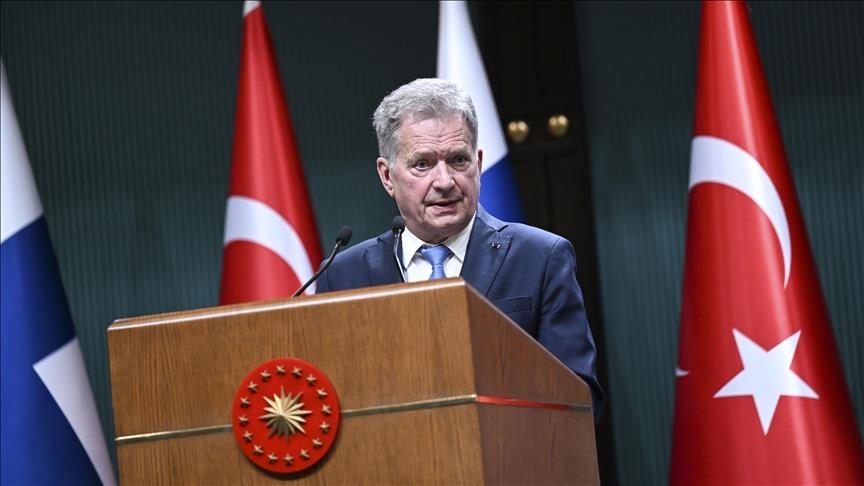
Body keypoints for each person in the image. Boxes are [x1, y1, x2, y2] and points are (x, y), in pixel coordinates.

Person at [315, 78, 604, 419]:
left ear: (478, 163)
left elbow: (579, 400)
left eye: (458, 160)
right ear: (387, 176)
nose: (445, 181)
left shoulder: (541, 257)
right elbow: (329, 406)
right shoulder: (342, 276)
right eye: (422, 164)